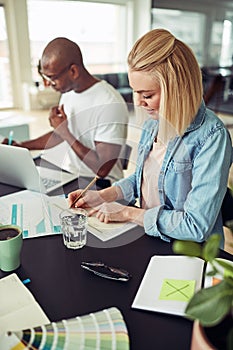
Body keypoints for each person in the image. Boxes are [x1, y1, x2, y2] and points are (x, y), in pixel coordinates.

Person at [68, 29, 233, 247]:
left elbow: (196, 225)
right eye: (136, 93)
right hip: (149, 236)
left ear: (177, 90)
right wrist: (103, 196)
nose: (138, 103)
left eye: (146, 95)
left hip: (190, 251)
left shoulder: (212, 137)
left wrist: (127, 213)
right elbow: (142, 179)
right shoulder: (153, 122)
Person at [3, 38, 129, 187]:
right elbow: (60, 135)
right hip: (71, 176)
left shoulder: (109, 103)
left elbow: (102, 168)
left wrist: (65, 132)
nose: (47, 84)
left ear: (73, 71)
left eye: (52, 78)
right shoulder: (68, 93)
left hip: (101, 185)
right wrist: (22, 146)